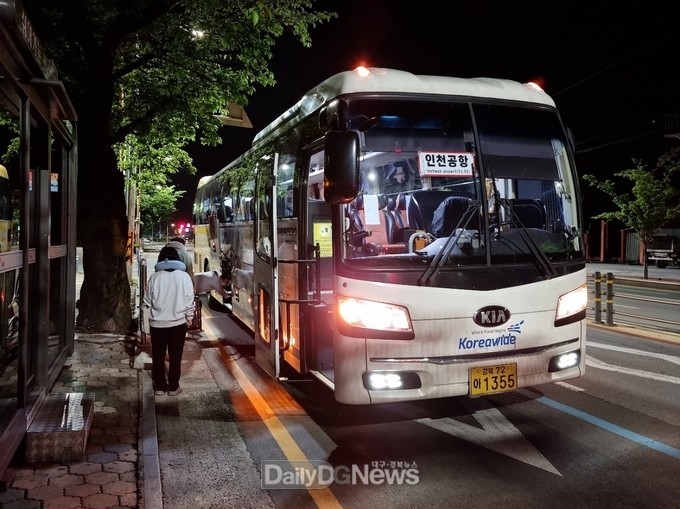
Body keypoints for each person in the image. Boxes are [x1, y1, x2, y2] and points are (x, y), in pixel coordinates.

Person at [144, 245, 195, 396]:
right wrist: (189, 317)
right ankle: (173, 387)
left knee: (158, 356)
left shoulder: (155, 277)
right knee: (175, 356)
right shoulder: (184, 276)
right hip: (178, 323)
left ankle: (159, 387)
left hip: (157, 324)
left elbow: (147, 300)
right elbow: (189, 299)